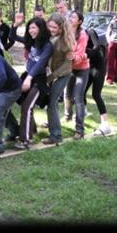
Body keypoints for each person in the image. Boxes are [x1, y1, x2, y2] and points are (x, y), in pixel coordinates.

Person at [9, 14, 53, 149]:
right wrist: (16, 24)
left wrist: (29, 78)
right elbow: (12, 37)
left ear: (40, 28)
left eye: (33, 28)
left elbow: (41, 63)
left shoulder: (48, 45)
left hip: (38, 81)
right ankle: (31, 130)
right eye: (29, 28)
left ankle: (25, 140)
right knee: (24, 104)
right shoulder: (31, 41)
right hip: (28, 76)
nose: (30, 31)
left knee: (27, 106)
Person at [40, 13, 74, 144]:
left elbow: (67, 64)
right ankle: (54, 125)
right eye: (50, 27)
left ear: (61, 27)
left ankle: (56, 136)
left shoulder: (65, 41)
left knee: (51, 103)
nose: (51, 30)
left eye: (54, 27)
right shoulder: (52, 37)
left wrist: (52, 76)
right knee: (52, 103)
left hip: (63, 74)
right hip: (54, 73)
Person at [64, 10, 90, 140]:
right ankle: (67, 116)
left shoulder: (83, 35)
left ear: (79, 21)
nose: (70, 18)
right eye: (70, 16)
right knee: (67, 95)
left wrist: (73, 58)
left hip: (81, 69)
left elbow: (80, 55)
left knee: (78, 98)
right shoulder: (66, 32)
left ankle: (80, 129)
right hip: (69, 69)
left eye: (73, 17)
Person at [83, 27, 111, 136]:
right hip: (89, 66)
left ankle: (106, 125)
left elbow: (97, 48)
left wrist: (85, 53)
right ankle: (83, 112)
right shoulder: (75, 36)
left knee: (96, 95)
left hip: (99, 66)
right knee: (81, 92)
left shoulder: (89, 32)